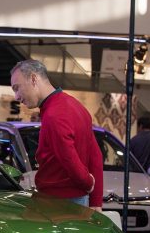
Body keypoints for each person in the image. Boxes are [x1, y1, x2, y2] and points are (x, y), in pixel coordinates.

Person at [10, 59, 103, 209]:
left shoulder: (54, 114)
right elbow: (95, 155)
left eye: (17, 88)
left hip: (58, 202)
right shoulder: (76, 107)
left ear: (33, 78)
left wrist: (88, 183)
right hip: (76, 200)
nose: (16, 96)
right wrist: (96, 201)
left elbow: (69, 159)